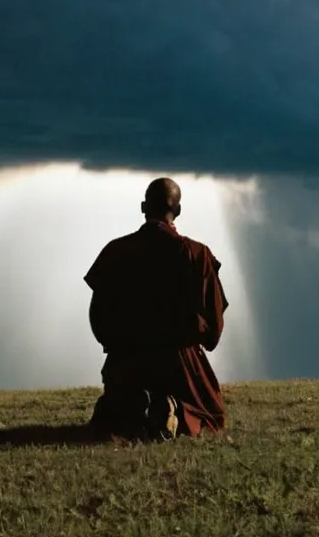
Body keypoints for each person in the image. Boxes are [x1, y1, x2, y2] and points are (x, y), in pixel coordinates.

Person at [83, 177, 229, 440]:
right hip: (179, 367)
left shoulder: (115, 251)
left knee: (118, 410)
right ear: (179, 210)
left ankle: (127, 407)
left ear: (143, 207)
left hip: (126, 363)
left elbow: (97, 317)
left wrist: (119, 347)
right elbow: (214, 331)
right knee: (209, 414)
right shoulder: (197, 254)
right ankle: (172, 408)